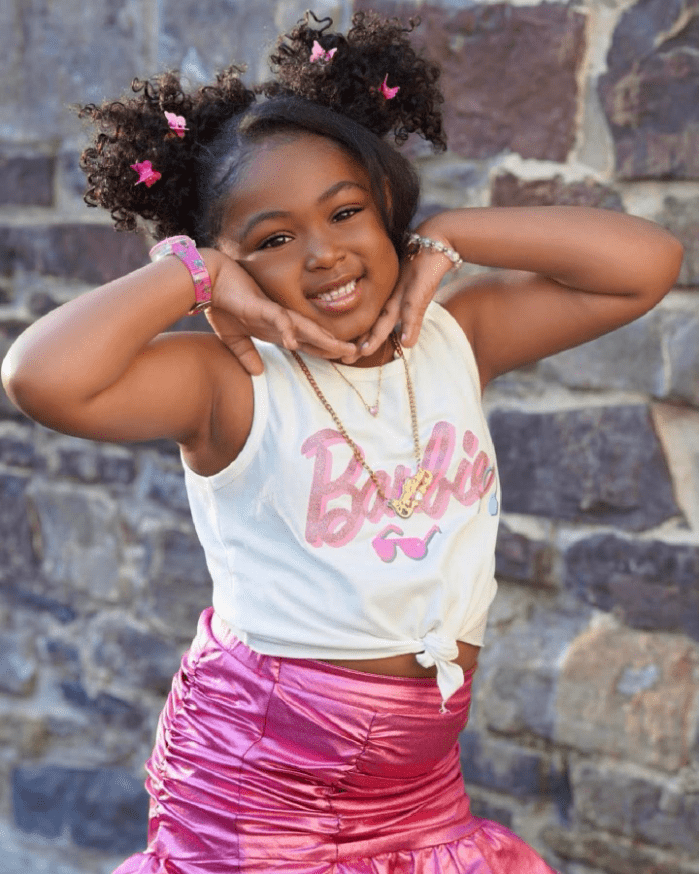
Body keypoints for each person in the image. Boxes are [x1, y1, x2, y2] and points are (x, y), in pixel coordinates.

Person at [1, 10, 683, 874]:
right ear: (236, 264)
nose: (322, 254)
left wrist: (453, 236)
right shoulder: (227, 380)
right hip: (262, 781)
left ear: (388, 207)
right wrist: (191, 275)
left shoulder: (453, 335)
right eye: (274, 239)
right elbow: (41, 377)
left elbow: (643, 263)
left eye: (347, 212)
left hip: (418, 788)